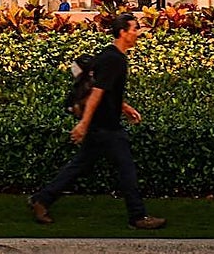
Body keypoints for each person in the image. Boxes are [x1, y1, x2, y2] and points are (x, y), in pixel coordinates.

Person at [28, 12, 166, 230]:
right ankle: (138, 216)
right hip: (105, 127)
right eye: (134, 29)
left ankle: (42, 199)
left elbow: (105, 90)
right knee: (126, 169)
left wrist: (125, 108)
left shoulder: (111, 56)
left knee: (80, 165)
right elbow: (97, 93)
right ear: (122, 32)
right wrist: (83, 123)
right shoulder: (114, 59)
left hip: (102, 125)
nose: (137, 34)